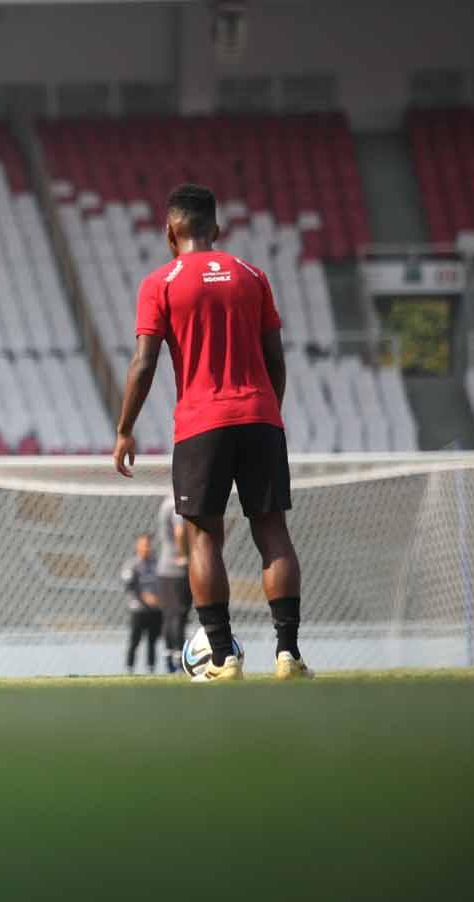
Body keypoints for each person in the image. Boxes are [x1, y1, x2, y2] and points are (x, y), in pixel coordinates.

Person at [113, 184, 312, 682]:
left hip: (202, 423)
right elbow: (276, 360)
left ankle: (223, 657)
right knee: (273, 533)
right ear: (216, 229)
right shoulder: (253, 276)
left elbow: (143, 364)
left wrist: (125, 430)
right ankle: (288, 654)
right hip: (261, 417)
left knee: (204, 539)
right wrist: (268, 413)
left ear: (169, 233)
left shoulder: (162, 282)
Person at [155, 493, 192, 673]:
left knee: (170, 615)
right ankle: (179, 658)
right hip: (177, 569)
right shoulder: (179, 502)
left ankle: (170, 656)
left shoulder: (166, 503)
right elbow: (180, 531)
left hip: (164, 569)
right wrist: (184, 556)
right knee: (178, 614)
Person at [121, 533, 162, 673]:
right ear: (137, 546)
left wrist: (158, 599)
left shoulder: (156, 563)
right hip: (138, 610)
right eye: (144, 545)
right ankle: (129, 668)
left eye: (148, 545)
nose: (147, 548)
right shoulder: (132, 564)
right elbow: (129, 586)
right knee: (134, 641)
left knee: (152, 641)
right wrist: (144, 598)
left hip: (155, 610)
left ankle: (151, 668)